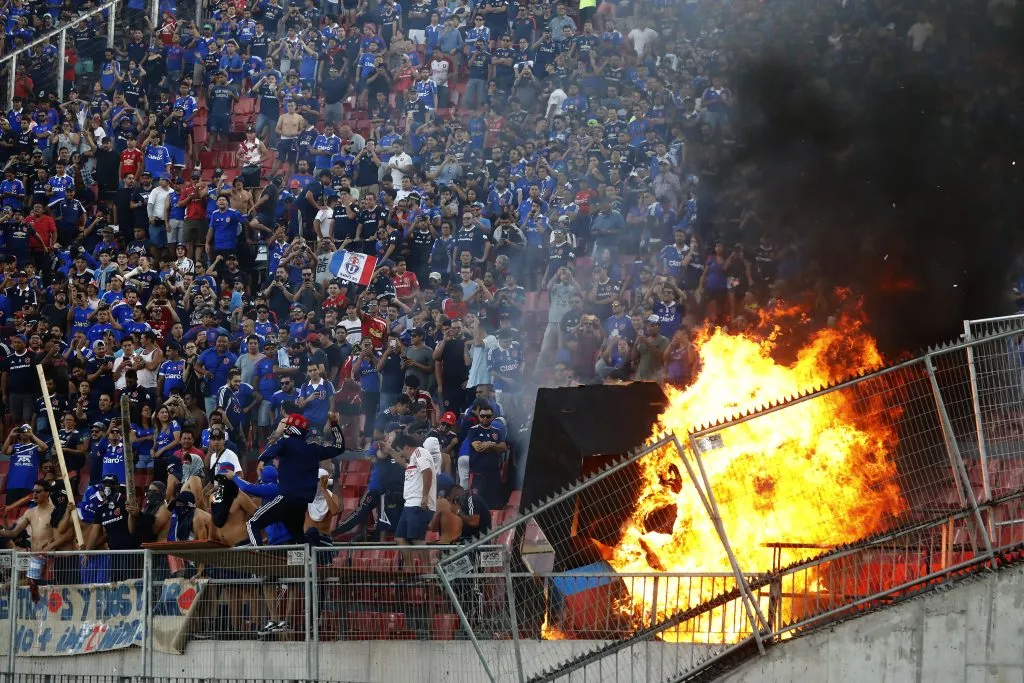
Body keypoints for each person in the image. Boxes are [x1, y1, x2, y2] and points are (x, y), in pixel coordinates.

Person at [238, 413, 345, 544]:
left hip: (286, 497)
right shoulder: (313, 449)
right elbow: (339, 447)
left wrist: (261, 460)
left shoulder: (286, 442)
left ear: (291, 428)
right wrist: (334, 425)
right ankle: (307, 562)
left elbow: (271, 449)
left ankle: (259, 557)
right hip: (302, 502)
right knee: (298, 536)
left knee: (253, 523)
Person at [393, 433, 437, 552]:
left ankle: (427, 568)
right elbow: (404, 464)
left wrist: (425, 497)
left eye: (400, 451)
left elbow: (427, 471)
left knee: (417, 539)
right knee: (400, 538)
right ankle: (409, 569)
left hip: (418, 504)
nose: (401, 455)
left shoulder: (419, 452)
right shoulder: (413, 460)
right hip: (409, 504)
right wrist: (390, 451)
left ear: (406, 447)